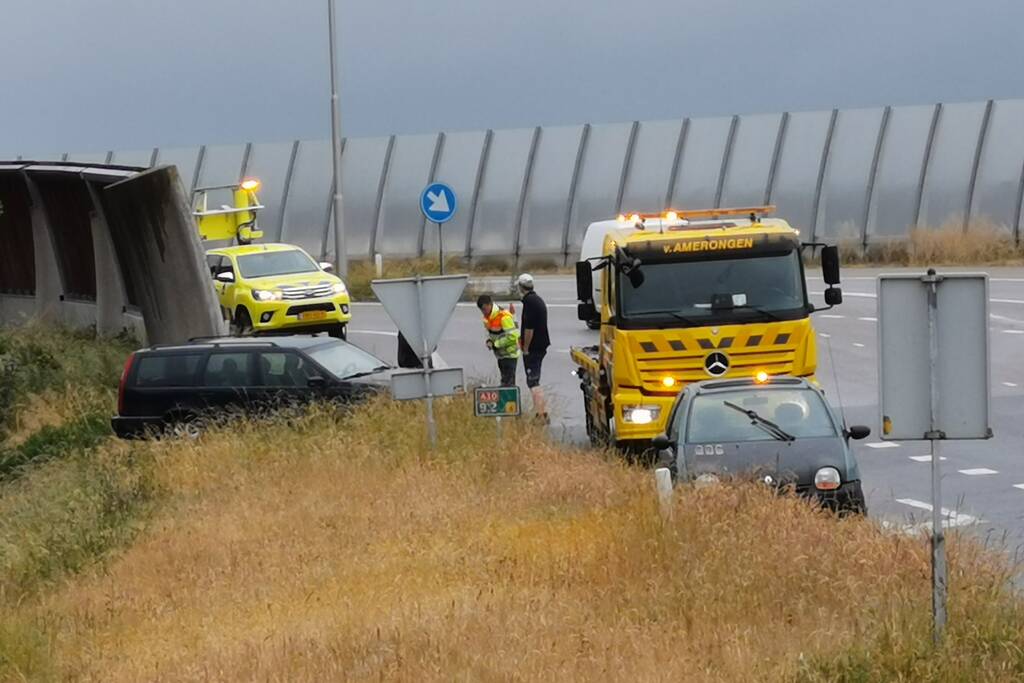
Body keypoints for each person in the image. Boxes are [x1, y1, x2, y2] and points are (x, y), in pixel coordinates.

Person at [516, 273, 550, 423]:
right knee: (535, 380)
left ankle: (541, 414)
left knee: (533, 381)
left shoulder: (529, 303)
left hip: (534, 348)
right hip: (541, 345)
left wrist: (526, 348)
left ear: (520, 287)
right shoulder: (537, 300)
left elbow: (529, 329)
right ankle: (543, 412)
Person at [477, 294, 520, 386]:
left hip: (510, 354)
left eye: (484, 309)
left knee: (508, 385)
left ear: (490, 304)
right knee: (505, 382)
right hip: (500, 355)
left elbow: (512, 336)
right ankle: (507, 399)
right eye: (481, 310)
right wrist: (488, 341)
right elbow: (488, 332)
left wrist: (496, 344)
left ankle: (510, 400)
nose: (483, 312)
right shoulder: (487, 318)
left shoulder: (504, 316)